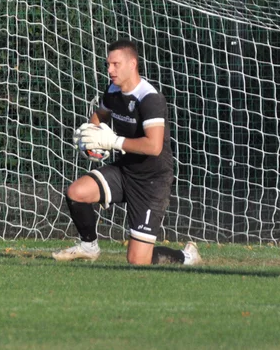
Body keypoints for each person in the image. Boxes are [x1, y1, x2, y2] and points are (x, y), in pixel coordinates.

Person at [53, 39, 201, 267]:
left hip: (152, 182)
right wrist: (90, 138)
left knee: (137, 260)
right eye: (108, 65)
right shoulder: (113, 91)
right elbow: (100, 116)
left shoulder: (150, 98)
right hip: (124, 171)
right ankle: (88, 246)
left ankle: (186, 256)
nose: (110, 70)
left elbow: (154, 146)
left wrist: (112, 141)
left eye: (115, 64)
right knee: (76, 192)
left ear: (133, 64)